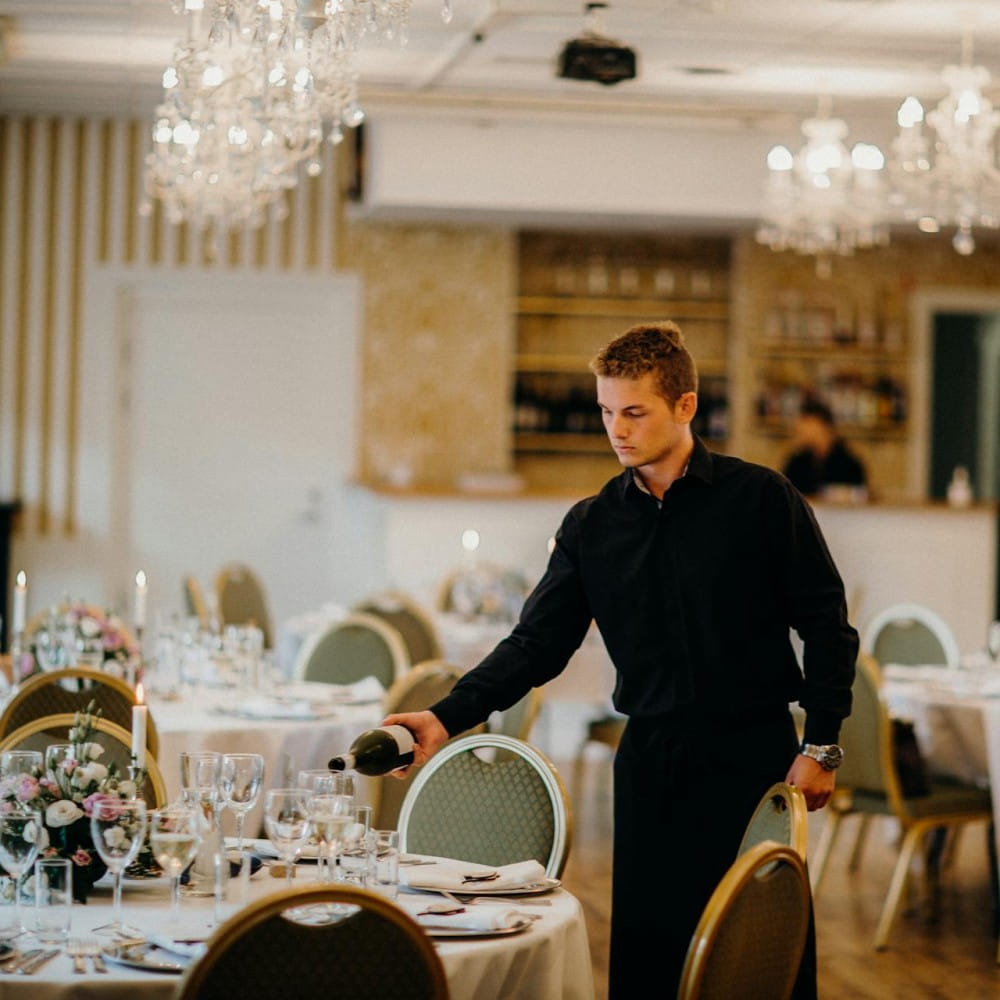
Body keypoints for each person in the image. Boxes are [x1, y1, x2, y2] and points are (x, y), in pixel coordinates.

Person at [385, 322, 857, 999]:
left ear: (685, 406)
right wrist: (444, 715)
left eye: (634, 412)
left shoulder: (760, 500)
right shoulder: (591, 525)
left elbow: (827, 626)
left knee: (763, 959)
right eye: (608, 411)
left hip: (754, 760)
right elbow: (536, 645)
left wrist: (823, 742)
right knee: (647, 961)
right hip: (649, 765)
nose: (617, 430)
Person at [783, 398, 868, 501]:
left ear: (821, 425)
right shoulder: (796, 463)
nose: (798, 427)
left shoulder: (849, 464)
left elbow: (860, 499)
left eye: (805, 421)